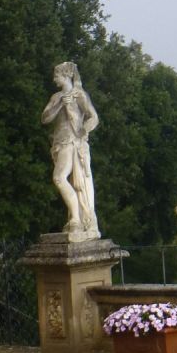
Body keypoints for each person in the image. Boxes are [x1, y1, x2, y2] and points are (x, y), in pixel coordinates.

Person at [42, 62, 99, 236]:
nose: (54, 79)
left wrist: (84, 130)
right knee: (69, 181)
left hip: (72, 142)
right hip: (59, 143)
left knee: (60, 178)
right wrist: (60, 103)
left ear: (66, 76)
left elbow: (94, 117)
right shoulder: (56, 97)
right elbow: (45, 118)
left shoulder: (79, 95)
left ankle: (76, 218)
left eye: (57, 76)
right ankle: (75, 219)